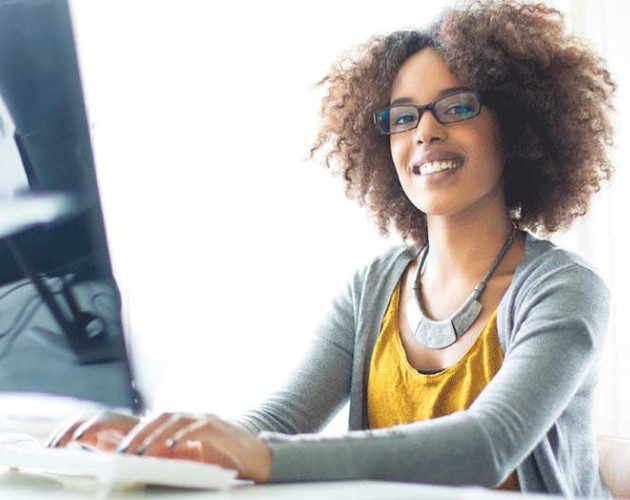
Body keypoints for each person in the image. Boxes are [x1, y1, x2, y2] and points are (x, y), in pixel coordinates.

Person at [50, 0, 616, 496]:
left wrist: (264, 458)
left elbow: (487, 445)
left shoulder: (564, 290)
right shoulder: (375, 286)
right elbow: (283, 419)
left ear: (516, 127)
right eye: (403, 117)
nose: (424, 131)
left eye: (457, 106)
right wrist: (162, 444)